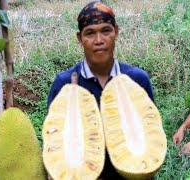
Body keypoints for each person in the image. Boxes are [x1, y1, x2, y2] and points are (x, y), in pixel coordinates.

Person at [47, 1, 154, 179]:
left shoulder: (137, 80)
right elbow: (55, 143)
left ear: (116, 32)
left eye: (106, 31)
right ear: (79, 38)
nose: (99, 41)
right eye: (90, 33)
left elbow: (150, 135)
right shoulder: (64, 84)